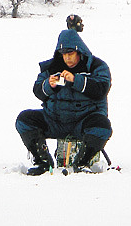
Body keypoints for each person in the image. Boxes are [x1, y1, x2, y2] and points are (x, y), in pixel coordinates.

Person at [15, 29, 112, 175]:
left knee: (102, 126)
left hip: (84, 120)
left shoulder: (96, 66)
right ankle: (43, 162)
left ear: (79, 52)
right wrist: (48, 85)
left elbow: (101, 89)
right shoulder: (51, 68)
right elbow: (37, 91)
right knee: (24, 120)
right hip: (55, 120)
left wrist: (75, 80)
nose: (68, 59)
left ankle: (82, 163)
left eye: (71, 54)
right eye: (64, 54)